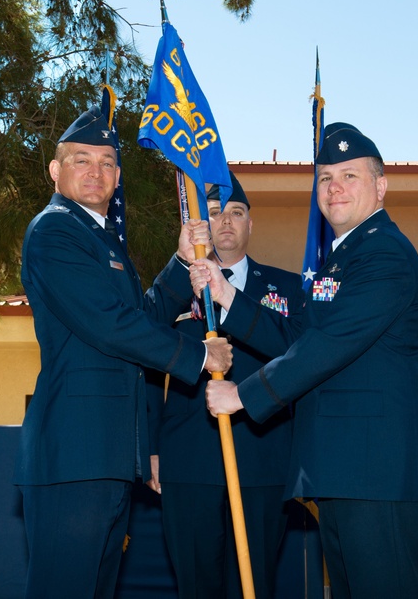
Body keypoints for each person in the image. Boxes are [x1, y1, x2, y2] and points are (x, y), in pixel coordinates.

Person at [194, 123, 418, 599]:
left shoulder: (384, 254)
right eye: (326, 177)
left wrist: (243, 396)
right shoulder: (343, 258)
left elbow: (328, 343)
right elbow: (297, 334)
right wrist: (228, 295)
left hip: (379, 475)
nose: (334, 188)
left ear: (381, 186)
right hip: (346, 472)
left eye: (349, 176)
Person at [14, 104, 233, 599]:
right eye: (82, 159)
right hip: (74, 457)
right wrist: (199, 357)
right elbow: (109, 326)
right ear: (55, 170)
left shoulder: (101, 239)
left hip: (107, 456)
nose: (96, 171)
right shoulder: (54, 231)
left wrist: (180, 261)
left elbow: (141, 317)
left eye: (107, 162)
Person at [147, 172, 303, 599]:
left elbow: (302, 360)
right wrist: (151, 446)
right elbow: (143, 361)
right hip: (188, 458)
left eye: (237, 213)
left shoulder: (289, 289)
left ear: (251, 224)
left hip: (262, 457)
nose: (227, 222)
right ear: (202, 224)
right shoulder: (177, 284)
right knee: (195, 585)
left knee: (254, 584)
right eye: (216, 213)